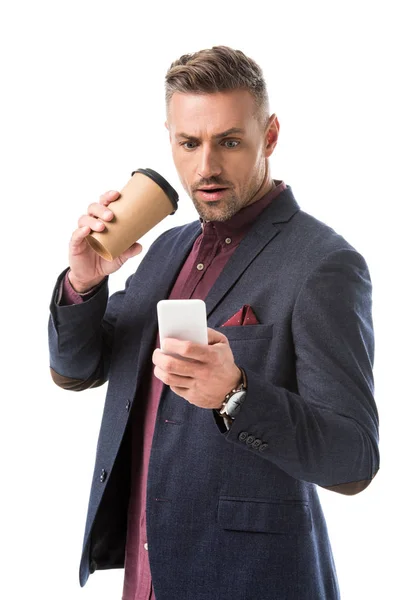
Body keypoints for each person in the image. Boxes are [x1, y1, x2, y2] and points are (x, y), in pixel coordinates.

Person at [48, 45, 379, 600]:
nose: (206, 168)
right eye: (188, 143)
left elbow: (354, 459)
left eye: (229, 141)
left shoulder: (323, 264)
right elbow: (78, 369)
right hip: (145, 574)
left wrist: (236, 394)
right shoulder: (165, 250)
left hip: (251, 581)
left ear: (269, 136)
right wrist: (85, 282)